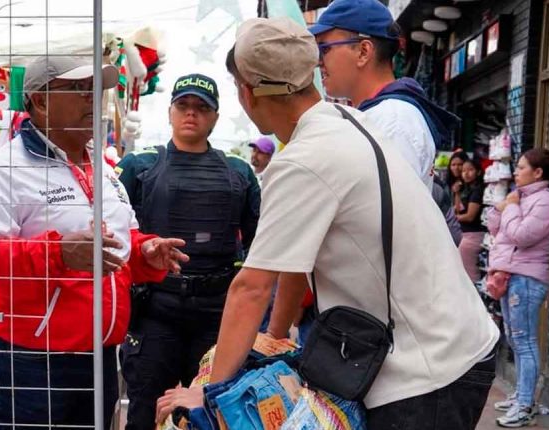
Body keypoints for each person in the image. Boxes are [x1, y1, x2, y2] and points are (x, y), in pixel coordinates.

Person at [207, 17, 500, 430]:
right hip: (457, 342)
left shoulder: (302, 160)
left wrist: (210, 395)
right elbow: (293, 260)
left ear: (246, 91)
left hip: (426, 373)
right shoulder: (350, 121)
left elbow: (251, 287)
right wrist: (275, 336)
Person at [0, 56, 188, 428]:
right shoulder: (4, 170)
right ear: (40, 101)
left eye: (94, 90)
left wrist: (146, 250)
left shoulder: (100, 167)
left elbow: (118, 240)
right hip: (29, 361)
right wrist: (59, 253)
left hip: (97, 356)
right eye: (78, 89)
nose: (91, 100)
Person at [116, 73, 261, 430]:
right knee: (146, 412)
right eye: (183, 105)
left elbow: (260, 245)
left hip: (216, 315)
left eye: (201, 107)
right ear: (170, 112)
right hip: (155, 312)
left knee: (212, 414)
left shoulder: (239, 172)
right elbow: (114, 234)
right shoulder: (139, 167)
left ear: (214, 116)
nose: (191, 114)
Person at [310, 0, 460, 190]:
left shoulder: (392, 122)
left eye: (324, 49)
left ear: (363, 52)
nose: (318, 62)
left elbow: (393, 216)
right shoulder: (381, 116)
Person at [487, 149, 549, 428]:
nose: (516, 172)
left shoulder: (546, 202)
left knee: (525, 341)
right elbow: (497, 230)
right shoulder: (523, 198)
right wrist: (504, 208)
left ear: (538, 172)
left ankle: (525, 405)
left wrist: (509, 208)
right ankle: (520, 395)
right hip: (511, 274)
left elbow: (522, 234)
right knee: (515, 339)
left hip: (527, 279)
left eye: (521, 167)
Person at [455, 159, 487, 282]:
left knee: (469, 273)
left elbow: (469, 216)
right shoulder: (467, 190)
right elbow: (458, 210)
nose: (466, 174)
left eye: (470, 170)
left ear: (478, 172)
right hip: (466, 234)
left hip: (474, 235)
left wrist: (456, 218)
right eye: (463, 171)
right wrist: (457, 193)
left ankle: (475, 297)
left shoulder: (478, 191)